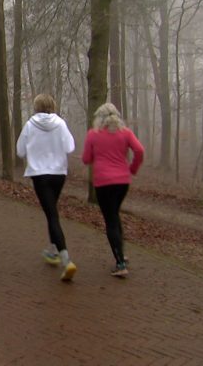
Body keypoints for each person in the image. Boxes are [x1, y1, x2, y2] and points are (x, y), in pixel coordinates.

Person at [16, 93, 77, 281]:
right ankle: (52, 250)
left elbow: (19, 151)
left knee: (52, 215)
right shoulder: (60, 124)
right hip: (59, 174)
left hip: (39, 175)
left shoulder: (29, 125)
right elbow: (70, 148)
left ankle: (66, 260)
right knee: (52, 213)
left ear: (36, 107)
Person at [82, 102, 144, 277]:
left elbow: (86, 159)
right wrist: (133, 168)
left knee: (110, 220)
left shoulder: (93, 135)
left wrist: (95, 155)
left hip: (103, 182)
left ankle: (120, 264)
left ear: (99, 118)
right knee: (115, 215)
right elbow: (139, 150)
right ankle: (121, 254)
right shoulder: (126, 133)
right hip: (123, 181)